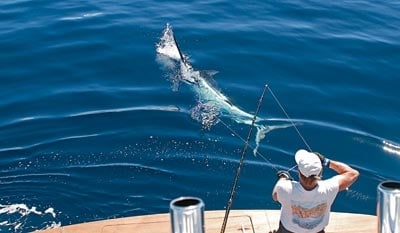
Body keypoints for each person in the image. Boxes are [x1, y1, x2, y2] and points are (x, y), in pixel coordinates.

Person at [271, 149, 359, 233]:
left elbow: (275, 196)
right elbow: (353, 174)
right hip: (316, 231)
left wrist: (283, 178)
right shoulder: (330, 187)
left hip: (288, 230)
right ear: (320, 173)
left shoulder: (284, 187)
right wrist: (325, 161)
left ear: (299, 172)